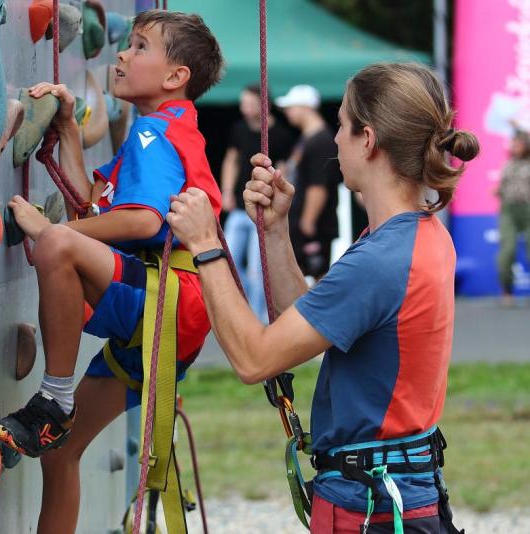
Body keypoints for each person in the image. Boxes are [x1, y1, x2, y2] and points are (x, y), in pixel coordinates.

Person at [167, 63, 478, 533]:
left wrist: (206, 246)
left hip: (370, 506)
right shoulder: (414, 236)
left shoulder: (381, 260)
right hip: (395, 493)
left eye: (342, 125)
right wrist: (275, 231)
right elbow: (314, 327)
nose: (334, 140)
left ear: (368, 140)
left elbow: (255, 360)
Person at [0, 10, 224, 533]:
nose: (121, 54)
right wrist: (69, 129)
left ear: (174, 77)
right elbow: (96, 209)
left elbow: (142, 219)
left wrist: (47, 234)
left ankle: (54, 396)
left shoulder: (153, 133)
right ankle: (58, 408)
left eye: (139, 47)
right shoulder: (169, 132)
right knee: (60, 455)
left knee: (56, 245)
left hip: (169, 299)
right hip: (175, 314)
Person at [221, 85, 296, 320]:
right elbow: (231, 160)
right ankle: (242, 310)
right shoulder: (239, 129)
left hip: (263, 208)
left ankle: (259, 318)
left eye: (249, 102)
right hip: (240, 207)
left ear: (263, 105)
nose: (244, 107)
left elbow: (284, 170)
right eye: (243, 102)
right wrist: (226, 191)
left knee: (258, 268)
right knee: (228, 259)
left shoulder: (281, 134)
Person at [276, 84, 343, 279]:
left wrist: (308, 220)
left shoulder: (321, 141)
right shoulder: (307, 139)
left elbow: (318, 186)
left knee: (317, 277)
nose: (287, 112)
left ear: (305, 107)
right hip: (300, 222)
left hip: (314, 226)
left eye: (291, 107)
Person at [496, 129, 530, 307]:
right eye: (513, 143)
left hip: (528, 210)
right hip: (509, 210)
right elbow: (501, 188)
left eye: (518, 143)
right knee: (507, 250)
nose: (514, 146)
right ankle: (507, 292)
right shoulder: (508, 165)